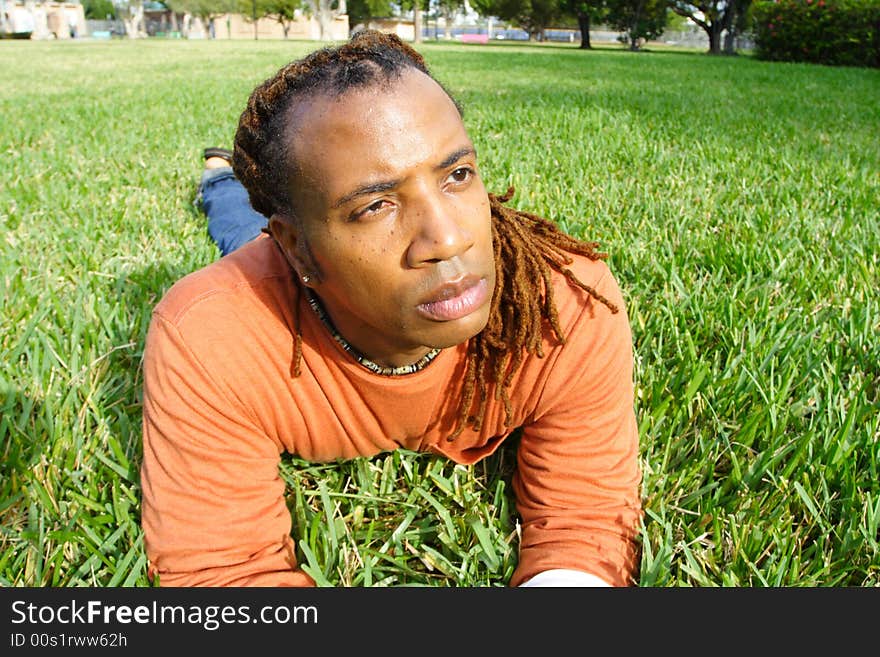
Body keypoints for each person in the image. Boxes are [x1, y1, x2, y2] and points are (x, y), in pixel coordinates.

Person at [140, 30, 643, 587]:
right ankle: (220, 179)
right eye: (375, 206)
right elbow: (224, 573)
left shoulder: (564, 302)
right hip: (284, 273)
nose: (449, 240)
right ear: (295, 245)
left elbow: (587, 520)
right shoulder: (213, 335)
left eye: (456, 175)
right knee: (237, 227)